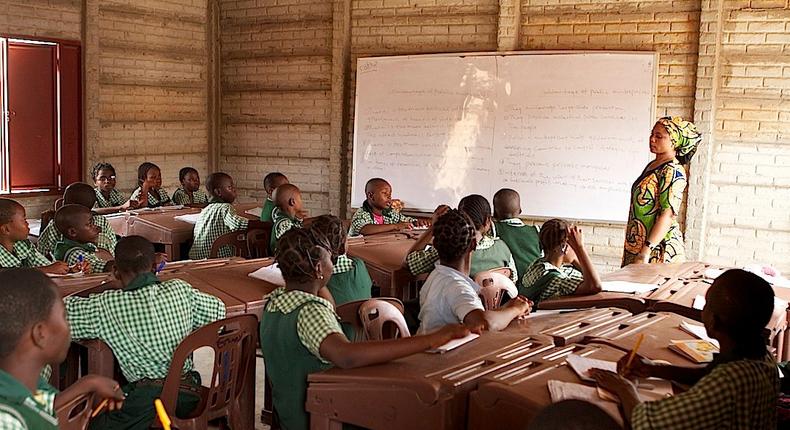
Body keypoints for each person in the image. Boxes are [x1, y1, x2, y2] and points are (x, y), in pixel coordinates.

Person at [260, 228, 470, 430]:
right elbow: (347, 356)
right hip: (321, 416)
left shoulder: (273, 303)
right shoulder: (310, 311)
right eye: (330, 260)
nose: (333, 265)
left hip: (290, 414)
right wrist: (430, 339)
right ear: (318, 269)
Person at [65, 236, 226, 430]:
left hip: (146, 400)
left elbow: (61, 312)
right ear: (154, 267)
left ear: (115, 271)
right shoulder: (180, 289)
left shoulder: (107, 304)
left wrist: (105, 286)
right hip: (189, 392)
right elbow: (219, 312)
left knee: (94, 424)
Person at [590, 269, 778, 429]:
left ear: (713, 321)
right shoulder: (762, 356)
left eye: (707, 305)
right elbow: (708, 374)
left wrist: (624, 389)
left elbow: (645, 424)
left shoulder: (729, 381)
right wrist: (654, 369)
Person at [0, 269, 125, 429]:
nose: (69, 327)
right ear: (41, 334)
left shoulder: (26, 383)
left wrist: (89, 383)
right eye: (65, 316)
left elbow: (42, 405)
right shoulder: (6, 420)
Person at [417, 209, 531, 334]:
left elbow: (475, 314)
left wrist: (505, 309)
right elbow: (483, 324)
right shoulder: (457, 287)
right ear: (473, 245)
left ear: (435, 245)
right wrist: (515, 310)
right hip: (445, 352)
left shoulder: (437, 275)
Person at [622, 116, 702, 266]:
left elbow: (668, 214)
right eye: (652, 134)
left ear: (674, 141)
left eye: (659, 136)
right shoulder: (653, 165)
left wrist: (645, 252)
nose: (652, 139)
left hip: (658, 250)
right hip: (640, 244)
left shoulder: (672, 170)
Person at [405, 195, 518, 284]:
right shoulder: (503, 248)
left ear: (459, 219)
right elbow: (513, 279)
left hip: (453, 310)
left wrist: (432, 228)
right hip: (493, 309)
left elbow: (409, 263)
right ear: (487, 221)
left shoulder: (451, 247)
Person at [520, 219, 601, 304]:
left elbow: (591, 277)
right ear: (564, 247)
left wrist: (573, 259)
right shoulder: (555, 279)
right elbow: (595, 286)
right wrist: (579, 248)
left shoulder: (537, 264)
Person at [189, 172, 264, 259]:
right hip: (216, 257)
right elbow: (237, 223)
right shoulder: (225, 207)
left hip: (197, 258)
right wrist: (263, 224)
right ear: (218, 192)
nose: (234, 190)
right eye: (230, 188)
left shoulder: (206, 209)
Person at [37, 182, 117, 257]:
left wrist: (43, 226)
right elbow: (113, 248)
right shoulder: (102, 221)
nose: (96, 228)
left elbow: (42, 251)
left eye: (65, 200)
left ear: (70, 204)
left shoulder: (55, 224)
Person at [0, 199, 68, 274]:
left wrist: (68, 269)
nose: (27, 224)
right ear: (6, 229)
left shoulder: (24, 245)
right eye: (24, 220)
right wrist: (46, 270)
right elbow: (6, 276)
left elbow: (47, 265)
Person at [492, 188, 541, 283]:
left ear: (495, 212)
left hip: (511, 286)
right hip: (535, 284)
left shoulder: (494, 229)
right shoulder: (536, 230)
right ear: (520, 210)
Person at [348, 178, 422, 236]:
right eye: (385, 193)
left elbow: (404, 220)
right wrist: (395, 226)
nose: (389, 197)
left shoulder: (389, 213)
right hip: (359, 253)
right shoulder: (361, 214)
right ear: (371, 196)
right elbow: (365, 229)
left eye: (390, 194)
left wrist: (416, 222)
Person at [52, 204, 113, 274]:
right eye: (90, 224)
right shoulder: (75, 254)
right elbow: (97, 266)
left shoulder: (83, 244)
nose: (96, 227)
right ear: (73, 232)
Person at [270, 183, 307, 253]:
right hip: (283, 259)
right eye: (300, 198)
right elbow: (293, 245)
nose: (301, 201)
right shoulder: (284, 223)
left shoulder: (287, 219)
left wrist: (298, 220)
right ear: (292, 202)